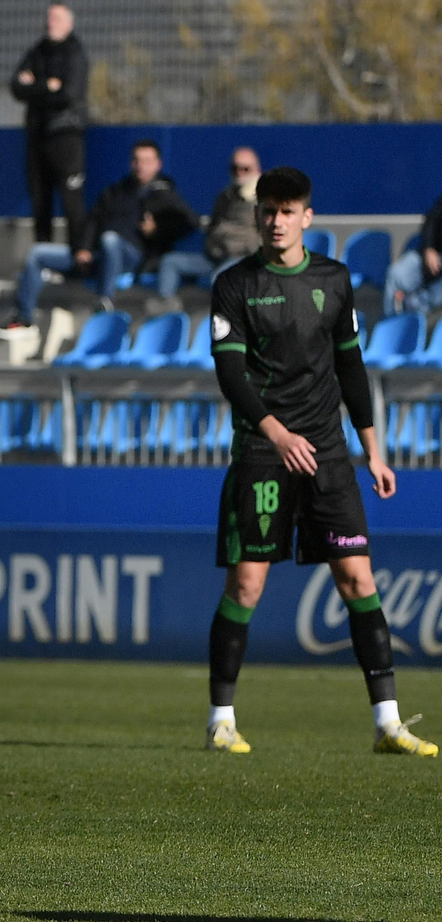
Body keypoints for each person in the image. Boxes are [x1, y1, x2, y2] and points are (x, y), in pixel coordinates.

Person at [205, 166, 432, 758]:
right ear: (258, 217)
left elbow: (351, 367)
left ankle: (387, 725)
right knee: (247, 584)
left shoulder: (334, 280)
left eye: (288, 211)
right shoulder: (234, 285)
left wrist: (373, 449)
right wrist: (277, 434)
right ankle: (221, 720)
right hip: (263, 450)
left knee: (358, 577)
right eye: (268, 211)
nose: (277, 221)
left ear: (308, 217)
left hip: (328, 454)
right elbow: (231, 373)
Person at [0, 140, 197, 335]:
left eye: (146, 161)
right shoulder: (116, 192)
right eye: (136, 160)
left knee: (111, 240)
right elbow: (92, 221)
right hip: (97, 257)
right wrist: (83, 248)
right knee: (38, 253)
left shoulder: (165, 194)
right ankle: (23, 318)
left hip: (133, 258)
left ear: (157, 164)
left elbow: (189, 222)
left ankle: (104, 302)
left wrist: (157, 230)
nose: (140, 166)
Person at [146, 147, 262, 315]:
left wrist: (242, 249)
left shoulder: (262, 199)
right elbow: (213, 226)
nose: (239, 172)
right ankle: (166, 308)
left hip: (241, 258)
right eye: (235, 168)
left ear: (256, 169)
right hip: (213, 256)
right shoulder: (225, 196)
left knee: (221, 278)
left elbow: (264, 237)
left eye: (245, 168)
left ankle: (222, 319)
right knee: (170, 262)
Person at [11, 4, 89, 247]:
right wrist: (47, 86)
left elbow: (69, 94)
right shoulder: (38, 51)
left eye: (56, 18)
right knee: (40, 202)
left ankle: (78, 257)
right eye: (48, 18)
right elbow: (16, 87)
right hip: (38, 137)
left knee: (71, 201)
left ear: (69, 23)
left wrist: (35, 87)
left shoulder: (75, 53)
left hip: (66, 137)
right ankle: (42, 259)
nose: (50, 23)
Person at [385, 190, 442, 316]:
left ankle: (415, 307)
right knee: (396, 274)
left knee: (429, 297)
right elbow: (432, 219)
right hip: (431, 254)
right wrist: (429, 249)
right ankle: (390, 324)